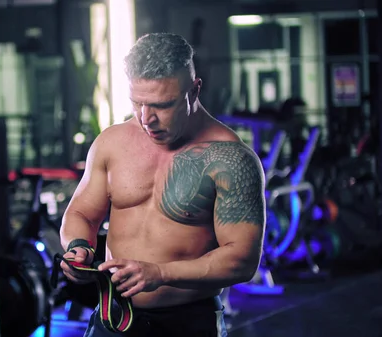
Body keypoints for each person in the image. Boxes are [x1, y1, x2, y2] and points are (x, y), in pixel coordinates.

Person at [59, 32, 266, 337]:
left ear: (194, 92)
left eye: (161, 105)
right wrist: (78, 248)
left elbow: (242, 260)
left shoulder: (230, 158)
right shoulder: (111, 143)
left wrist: (160, 273)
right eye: (136, 103)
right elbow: (81, 214)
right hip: (114, 317)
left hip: (188, 322)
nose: (146, 118)